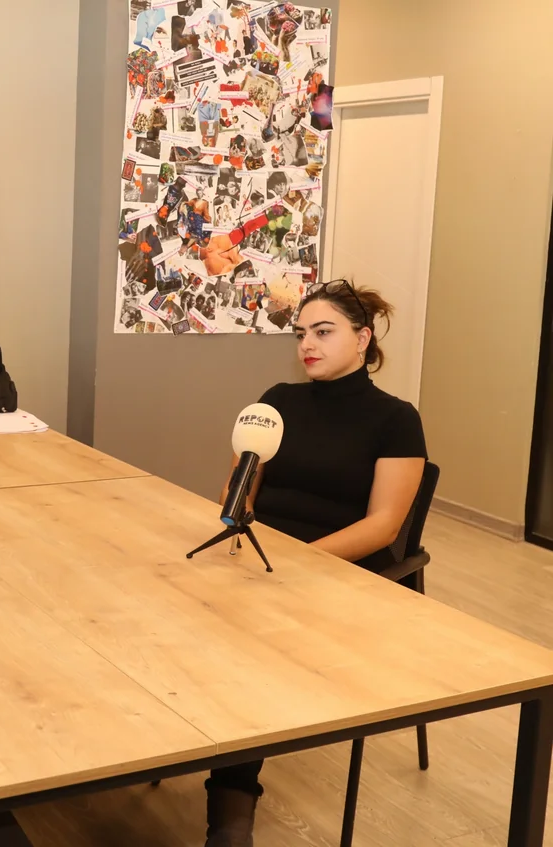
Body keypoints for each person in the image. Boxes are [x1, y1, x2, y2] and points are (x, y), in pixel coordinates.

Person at [203, 280, 427, 846]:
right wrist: (238, 517)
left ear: (363, 338)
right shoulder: (277, 401)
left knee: (245, 653)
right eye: (301, 334)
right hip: (259, 557)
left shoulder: (395, 419)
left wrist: (296, 563)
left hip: (333, 571)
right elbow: (240, 485)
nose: (307, 344)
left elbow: (384, 526)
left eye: (323, 332)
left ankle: (229, 819)